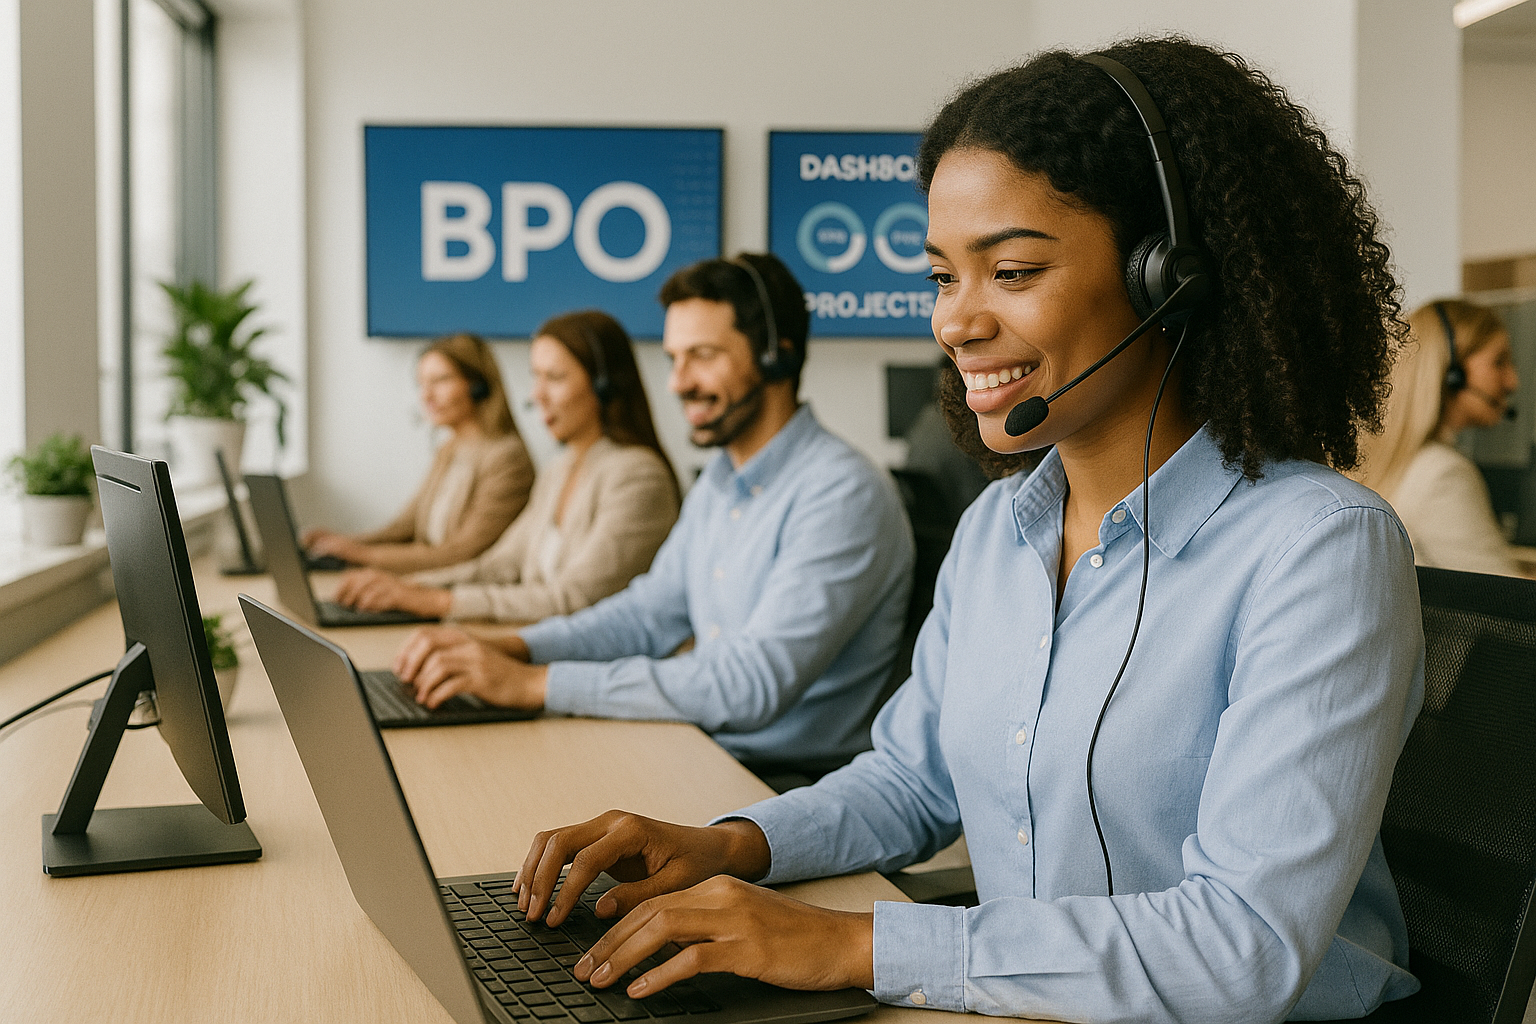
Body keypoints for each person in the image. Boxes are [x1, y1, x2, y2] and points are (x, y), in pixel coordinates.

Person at [504, 38, 1426, 1024]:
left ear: (1172, 278)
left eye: (1013, 270)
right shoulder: (1001, 527)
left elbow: (1240, 948)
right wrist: (730, 845)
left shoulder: (1321, 547)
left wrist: (851, 943)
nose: (955, 320)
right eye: (944, 275)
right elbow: (912, 778)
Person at [392, 252, 915, 780]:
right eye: (674, 359)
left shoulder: (842, 492)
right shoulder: (720, 481)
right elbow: (647, 614)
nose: (678, 382)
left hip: (781, 782)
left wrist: (534, 684)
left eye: (703, 356)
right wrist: (514, 647)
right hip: (701, 747)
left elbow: (751, 685)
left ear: (776, 354)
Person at [333, 311, 680, 621]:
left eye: (555, 378)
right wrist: (406, 587)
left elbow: (576, 598)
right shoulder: (559, 470)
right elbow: (500, 565)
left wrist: (436, 600)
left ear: (605, 387)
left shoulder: (637, 476)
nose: (536, 395)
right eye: (536, 377)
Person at [302, 333, 534, 573]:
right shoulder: (450, 448)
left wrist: (360, 554)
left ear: (479, 386)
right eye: (422, 384)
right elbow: (406, 526)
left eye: (440, 381)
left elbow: (462, 552)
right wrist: (344, 543)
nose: (427, 396)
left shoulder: (507, 459)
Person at [1353, 300, 1524, 576]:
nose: (1512, 381)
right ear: (1453, 374)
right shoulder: (1442, 475)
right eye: (1499, 362)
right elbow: (1509, 602)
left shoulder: (1394, 462)